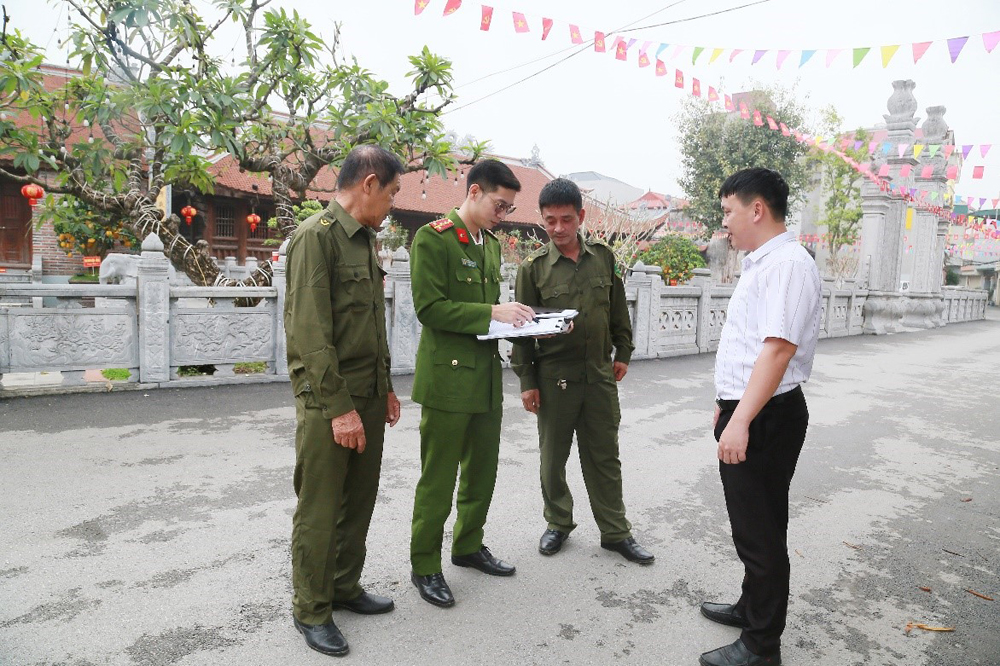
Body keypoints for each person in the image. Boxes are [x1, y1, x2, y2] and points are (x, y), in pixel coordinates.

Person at [283, 145, 403, 658]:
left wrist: (385, 387)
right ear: (369, 184)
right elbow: (310, 333)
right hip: (330, 401)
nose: (392, 204)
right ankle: (311, 609)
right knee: (321, 506)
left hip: (368, 395)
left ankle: (344, 585)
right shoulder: (316, 237)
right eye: (392, 193)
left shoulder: (364, 240)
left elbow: (370, 323)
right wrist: (340, 409)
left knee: (359, 499)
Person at [699, 168, 822, 666]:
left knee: (759, 532)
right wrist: (726, 402)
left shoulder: (788, 265)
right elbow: (749, 345)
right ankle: (751, 607)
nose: (724, 222)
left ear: (756, 209)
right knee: (760, 522)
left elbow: (777, 351)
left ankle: (760, 645)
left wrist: (740, 420)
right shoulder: (763, 263)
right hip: (750, 405)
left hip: (766, 414)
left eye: (728, 211)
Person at [408, 159, 536, 608]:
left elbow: (489, 316)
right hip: (447, 379)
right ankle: (425, 565)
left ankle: (467, 545)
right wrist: (492, 313)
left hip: (483, 377)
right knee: (439, 478)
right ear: (475, 191)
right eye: (500, 204)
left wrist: (522, 322)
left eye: (509, 207)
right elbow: (429, 308)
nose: (504, 213)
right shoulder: (434, 238)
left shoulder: (491, 245)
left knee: (482, 471)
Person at [511, 178, 654, 565]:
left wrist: (624, 351)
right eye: (550, 220)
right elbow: (521, 330)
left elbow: (618, 309)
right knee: (552, 458)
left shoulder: (603, 257)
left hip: (599, 376)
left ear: (581, 217)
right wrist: (526, 381)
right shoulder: (533, 269)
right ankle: (558, 522)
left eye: (566, 219)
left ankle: (615, 531)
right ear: (542, 219)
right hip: (554, 378)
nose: (558, 228)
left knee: (605, 457)